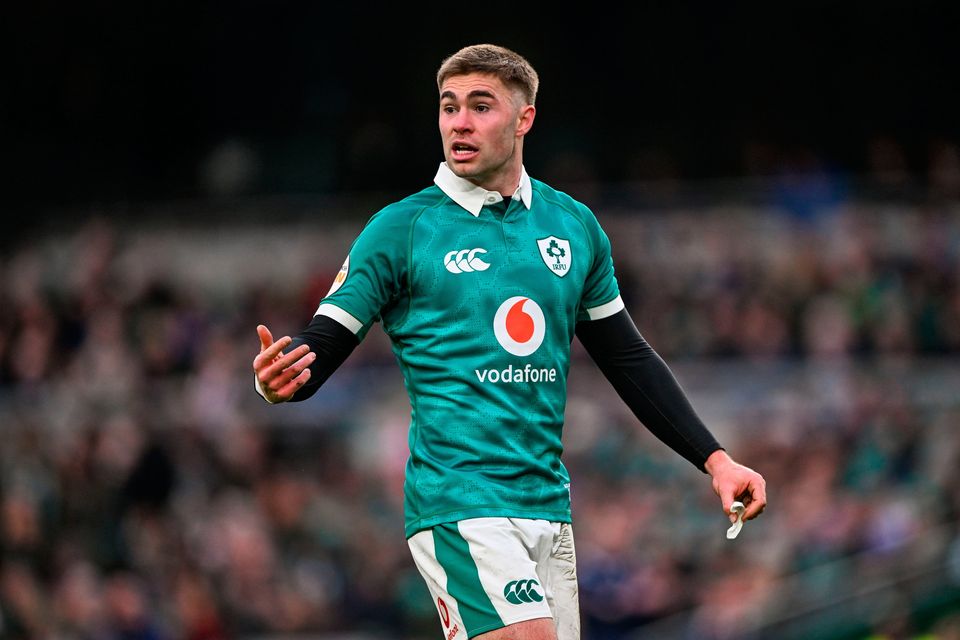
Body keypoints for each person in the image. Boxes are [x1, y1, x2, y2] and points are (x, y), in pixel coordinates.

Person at [252, 44, 766, 640]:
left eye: (480, 106)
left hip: (547, 507)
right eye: (449, 107)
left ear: (524, 119)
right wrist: (279, 379)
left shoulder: (573, 227)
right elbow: (321, 347)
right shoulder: (401, 229)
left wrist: (716, 460)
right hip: (458, 501)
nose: (459, 122)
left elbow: (627, 358)